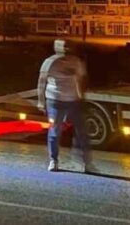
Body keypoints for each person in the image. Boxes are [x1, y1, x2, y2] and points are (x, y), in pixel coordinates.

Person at [37, 40, 97, 173]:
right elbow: (41, 82)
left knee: (82, 133)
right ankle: (54, 160)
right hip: (55, 102)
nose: (65, 48)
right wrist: (41, 101)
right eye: (62, 46)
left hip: (74, 101)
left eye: (67, 46)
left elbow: (82, 79)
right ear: (56, 47)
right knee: (55, 132)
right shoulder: (49, 63)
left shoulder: (76, 62)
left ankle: (87, 163)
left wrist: (82, 96)